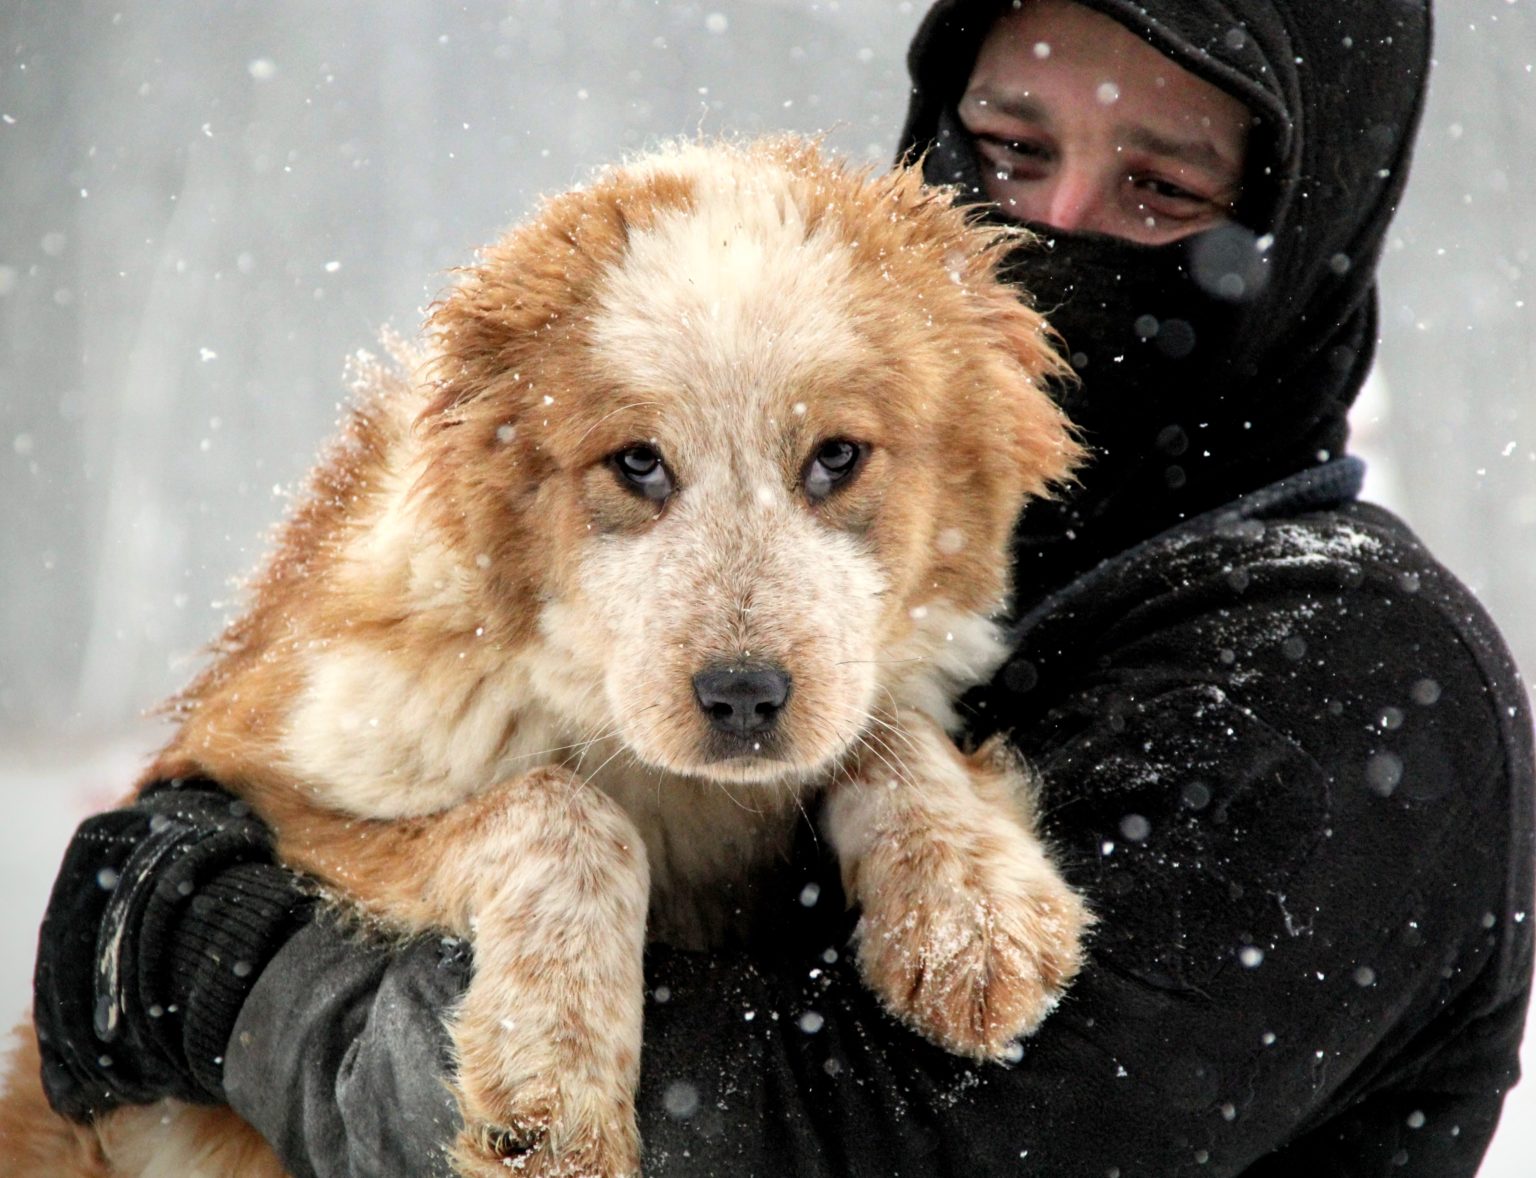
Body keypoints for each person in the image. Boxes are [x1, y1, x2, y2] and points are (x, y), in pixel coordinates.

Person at [26, 0, 1534, 1174]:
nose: (1050, 229)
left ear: (1304, 226)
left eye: (1159, 185)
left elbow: (824, 1144)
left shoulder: (1341, 667)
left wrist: (223, 972)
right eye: (1008, 150)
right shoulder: (922, 472)